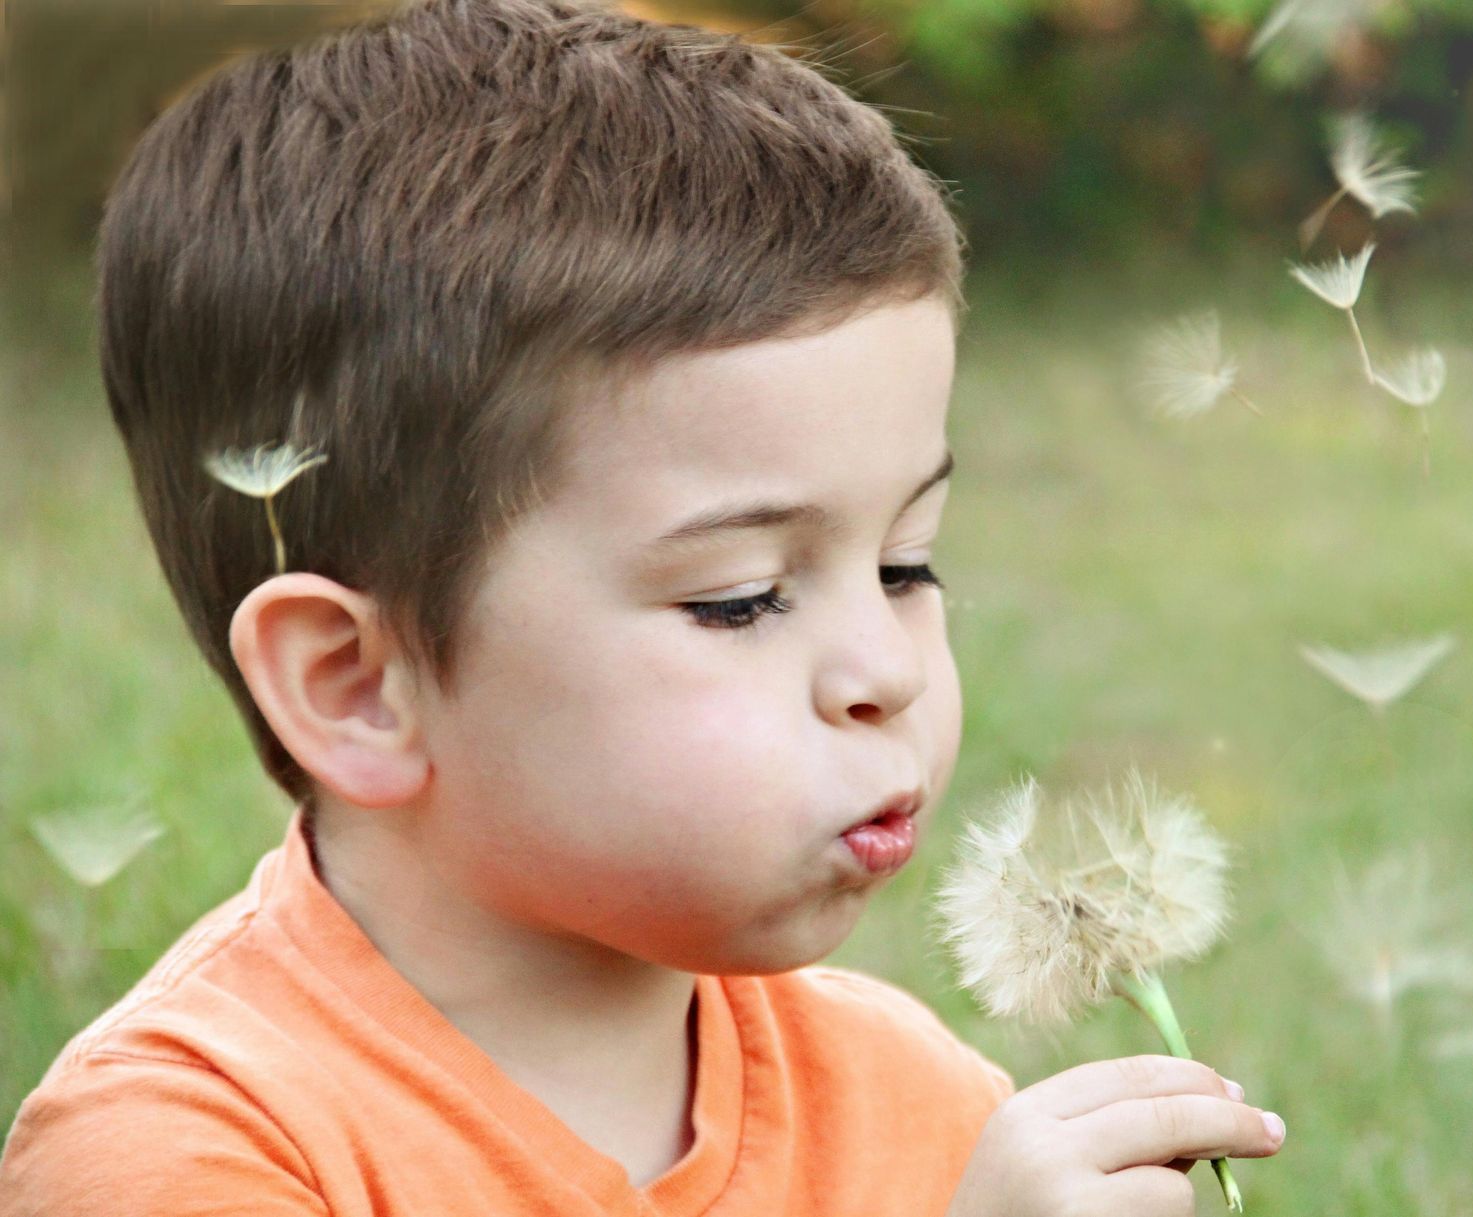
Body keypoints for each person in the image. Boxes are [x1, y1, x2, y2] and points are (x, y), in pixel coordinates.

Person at [0, 1, 1286, 1212]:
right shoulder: (186, 1149)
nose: (885, 669)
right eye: (739, 599)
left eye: (905, 563)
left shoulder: (917, 1098)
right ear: (356, 683)